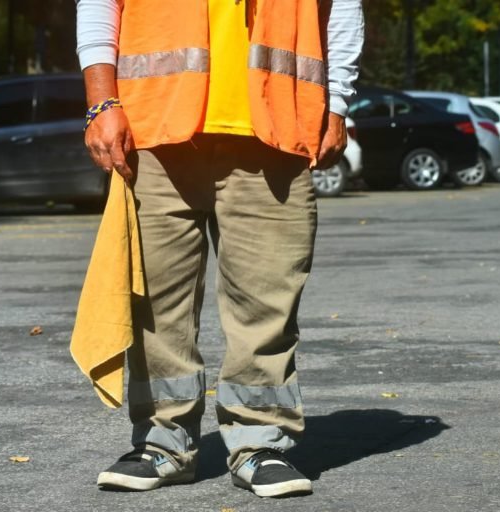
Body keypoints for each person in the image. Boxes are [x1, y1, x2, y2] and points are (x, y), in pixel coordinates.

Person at [75, 0, 364, 498]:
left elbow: (343, 7)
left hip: (276, 128)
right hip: (155, 128)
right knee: (155, 304)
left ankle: (260, 442)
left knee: (267, 303)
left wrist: (337, 104)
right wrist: (102, 103)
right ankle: (162, 443)